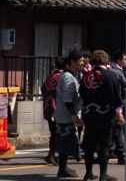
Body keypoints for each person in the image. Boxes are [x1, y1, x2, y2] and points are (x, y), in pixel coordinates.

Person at [79, 50, 123, 181]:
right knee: (105, 145)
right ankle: (103, 174)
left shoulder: (86, 76)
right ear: (106, 61)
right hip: (105, 114)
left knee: (89, 145)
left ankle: (88, 173)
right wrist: (119, 112)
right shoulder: (109, 74)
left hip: (89, 114)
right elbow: (115, 94)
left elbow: (81, 93)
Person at [55, 48, 84, 178]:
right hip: (66, 116)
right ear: (72, 62)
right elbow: (67, 99)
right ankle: (62, 169)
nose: (83, 63)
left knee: (66, 143)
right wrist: (73, 115)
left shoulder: (72, 75)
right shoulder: (67, 77)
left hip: (66, 115)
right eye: (81, 61)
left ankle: (63, 168)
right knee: (66, 142)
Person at [42, 57, 65, 166]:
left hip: (48, 108)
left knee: (53, 133)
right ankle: (51, 155)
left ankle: (52, 155)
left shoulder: (49, 77)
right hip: (58, 110)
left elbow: (43, 89)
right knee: (58, 134)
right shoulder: (64, 77)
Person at [108, 51, 126, 164]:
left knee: (113, 129)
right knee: (118, 129)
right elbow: (125, 86)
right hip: (118, 104)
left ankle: (111, 151)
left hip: (109, 104)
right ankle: (120, 153)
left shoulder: (111, 71)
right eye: (124, 59)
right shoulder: (116, 72)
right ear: (119, 60)